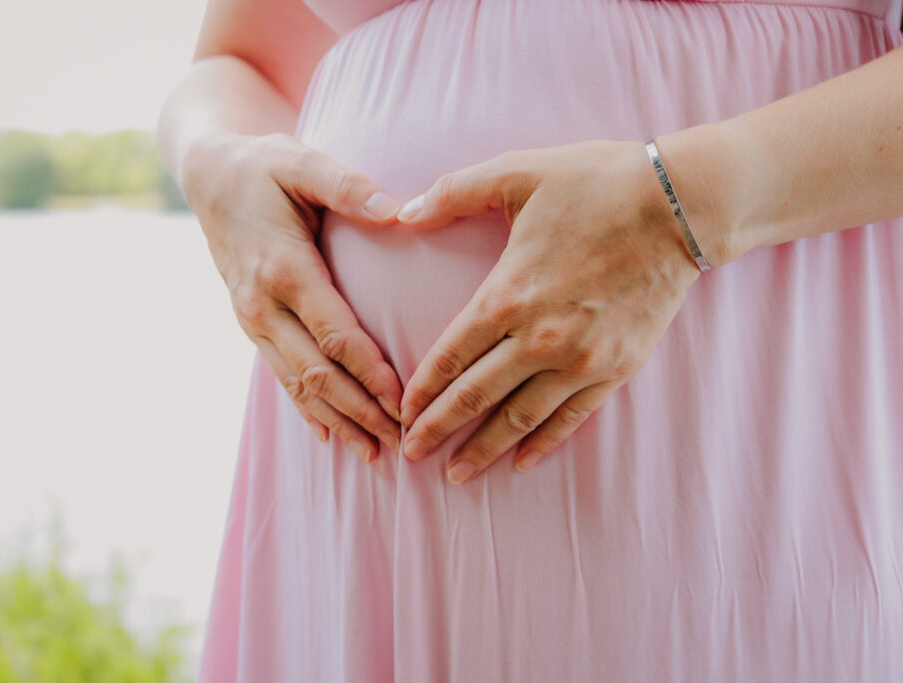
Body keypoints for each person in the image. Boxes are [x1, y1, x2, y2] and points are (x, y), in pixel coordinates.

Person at [157, 0, 903, 679]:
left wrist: (686, 205)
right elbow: (239, 61)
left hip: (732, 440)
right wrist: (215, 161)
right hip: (345, 493)